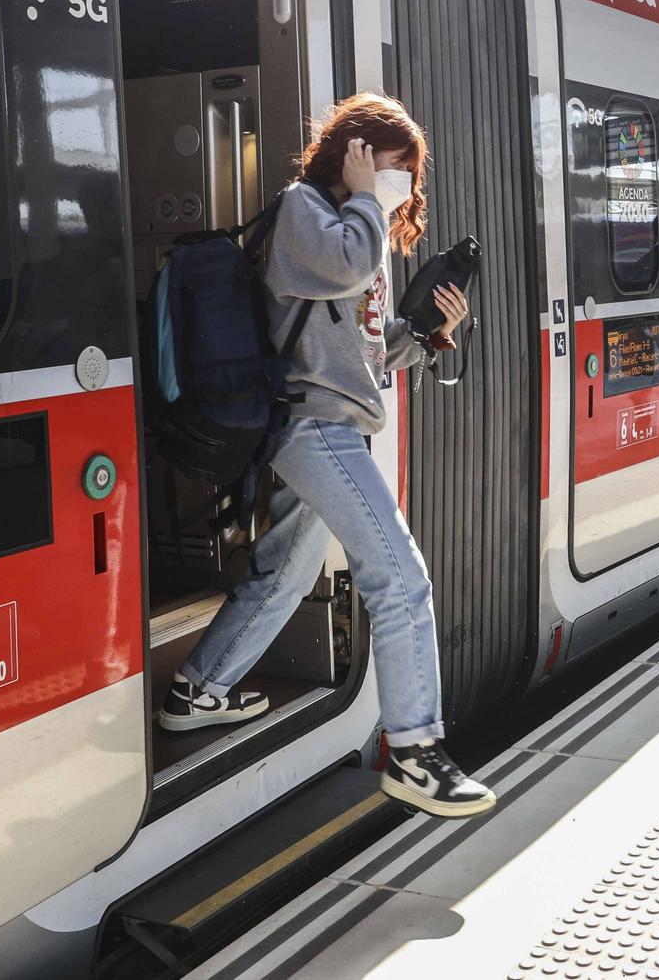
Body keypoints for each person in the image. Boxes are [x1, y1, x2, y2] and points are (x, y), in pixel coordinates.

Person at [159, 92, 494, 819]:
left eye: (408, 174)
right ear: (354, 154)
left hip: (336, 416)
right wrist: (370, 200)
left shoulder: (356, 234)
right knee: (401, 578)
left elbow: (366, 353)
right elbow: (346, 264)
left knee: (288, 571)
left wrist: (427, 333)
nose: (400, 186)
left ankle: (199, 686)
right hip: (313, 427)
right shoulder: (306, 213)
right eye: (389, 167)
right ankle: (415, 751)